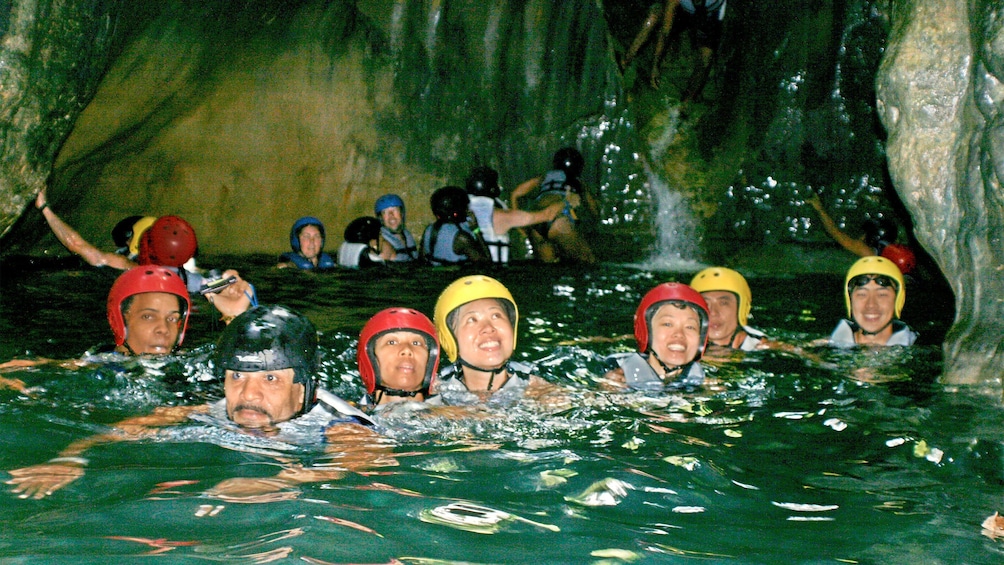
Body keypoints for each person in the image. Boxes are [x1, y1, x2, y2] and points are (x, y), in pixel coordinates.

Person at [5, 305, 382, 501]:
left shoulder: (338, 420)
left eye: (270, 378)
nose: (248, 395)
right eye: (236, 376)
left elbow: (361, 459)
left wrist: (281, 481)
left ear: (304, 387)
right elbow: (135, 428)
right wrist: (72, 456)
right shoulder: (219, 405)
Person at [0, 265, 252, 374]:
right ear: (121, 320)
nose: (163, 329)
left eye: (173, 318)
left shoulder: (186, 367)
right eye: (148, 316)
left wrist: (236, 315)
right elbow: (47, 366)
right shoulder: (101, 366)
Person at [429, 275, 556, 406]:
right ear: (449, 338)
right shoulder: (434, 390)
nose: (488, 328)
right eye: (472, 320)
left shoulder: (540, 391)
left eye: (496, 315)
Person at [603, 282, 709, 390]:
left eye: (690, 327)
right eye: (667, 324)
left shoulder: (707, 384)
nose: (679, 334)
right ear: (646, 332)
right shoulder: (616, 381)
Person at [620, 0, 726, 98]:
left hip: (710, 15)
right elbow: (665, 32)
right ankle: (625, 60)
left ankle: (685, 103)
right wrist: (655, 66)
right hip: (684, 11)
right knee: (654, 16)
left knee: (706, 58)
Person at [510, 147, 598, 264]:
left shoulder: (544, 177)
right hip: (558, 219)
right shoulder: (578, 183)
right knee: (588, 260)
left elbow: (515, 194)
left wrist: (519, 227)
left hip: (535, 221)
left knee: (548, 272)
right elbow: (595, 211)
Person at [465, 166, 564, 264]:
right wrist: (567, 201)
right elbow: (547, 215)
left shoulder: (464, 208)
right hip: (494, 273)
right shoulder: (502, 216)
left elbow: (515, 194)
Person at [806, 193, 917, 275]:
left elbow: (834, 232)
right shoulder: (897, 253)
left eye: (865, 234)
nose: (862, 236)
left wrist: (819, 208)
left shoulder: (869, 254)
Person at [357, 307, 440, 407]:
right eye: (392, 342)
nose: (407, 350)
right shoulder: (345, 417)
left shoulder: (457, 413)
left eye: (416, 343)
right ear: (370, 357)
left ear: (430, 360)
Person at [829, 256, 918, 348]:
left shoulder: (919, 355)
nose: (871, 305)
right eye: (862, 294)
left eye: (882, 295)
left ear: (898, 300)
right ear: (850, 301)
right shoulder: (823, 353)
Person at [689, 267, 767, 351]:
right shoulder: (681, 343)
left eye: (723, 303)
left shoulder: (761, 347)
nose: (713, 312)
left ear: (742, 308)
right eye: (706, 304)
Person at [421, 186, 489, 266]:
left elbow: (422, 258)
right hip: (455, 277)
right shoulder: (461, 238)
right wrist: (476, 230)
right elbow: (486, 261)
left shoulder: (429, 230)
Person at [374, 194, 419, 262]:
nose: (391, 215)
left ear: (401, 214)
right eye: (385, 212)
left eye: (395, 210)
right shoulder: (380, 239)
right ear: (381, 218)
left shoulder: (406, 234)